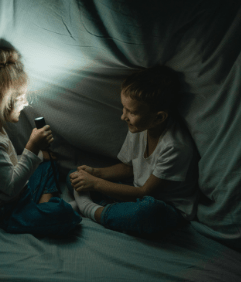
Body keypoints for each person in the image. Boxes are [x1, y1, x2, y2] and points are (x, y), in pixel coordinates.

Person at [67, 65, 199, 236]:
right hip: (135, 194)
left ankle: (88, 208)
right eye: (124, 108)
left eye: (131, 112)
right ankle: (108, 208)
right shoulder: (139, 128)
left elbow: (146, 192)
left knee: (148, 213)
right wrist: (95, 173)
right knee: (74, 175)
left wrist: (95, 183)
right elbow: (128, 167)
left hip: (165, 207)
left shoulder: (174, 146)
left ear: (158, 117)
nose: (123, 117)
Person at [0, 46, 81, 237]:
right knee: (64, 214)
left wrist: (38, 155)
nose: (25, 103)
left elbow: (5, 167)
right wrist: (32, 147)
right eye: (20, 98)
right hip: (4, 210)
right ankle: (48, 208)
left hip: (18, 194)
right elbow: (10, 188)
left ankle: (44, 205)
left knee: (46, 162)